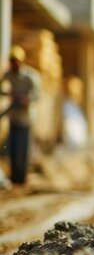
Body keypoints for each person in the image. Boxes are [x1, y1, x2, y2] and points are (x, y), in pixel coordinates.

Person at [0, 45, 40, 185]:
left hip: (26, 119)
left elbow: (37, 95)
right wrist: (8, 94)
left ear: (21, 62)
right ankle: (14, 176)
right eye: (11, 61)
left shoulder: (30, 76)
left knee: (22, 150)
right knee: (12, 148)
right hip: (13, 117)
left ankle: (21, 178)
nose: (13, 64)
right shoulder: (9, 75)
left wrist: (26, 99)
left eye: (15, 61)